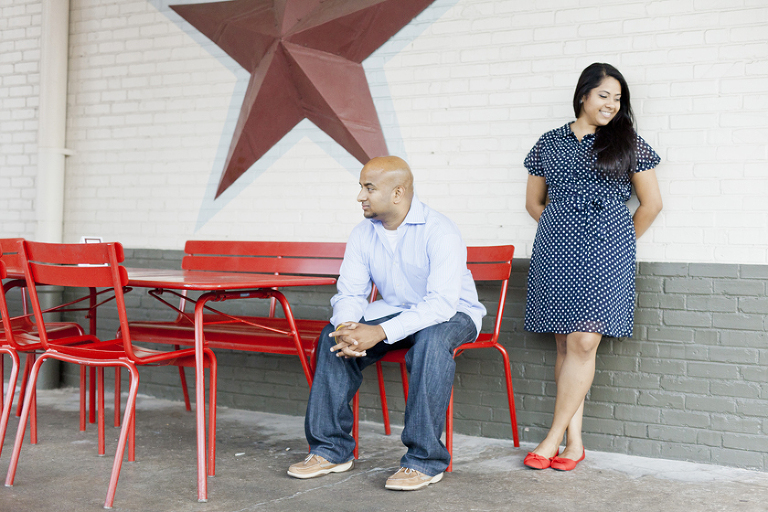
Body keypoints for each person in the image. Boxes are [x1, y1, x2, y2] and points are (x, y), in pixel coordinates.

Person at [287, 155, 486, 490]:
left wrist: (379, 332)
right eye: (361, 187)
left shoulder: (440, 230)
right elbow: (351, 293)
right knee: (332, 335)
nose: (360, 196)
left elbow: (440, 304)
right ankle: (330, 450)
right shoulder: (362, 233)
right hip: (395, 310)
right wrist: (347, 328)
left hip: (453, 313)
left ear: (397, 193)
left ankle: (424, 461)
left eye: (369, 188)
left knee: (431, 343)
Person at [522, 63, 663, 471]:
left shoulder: (628, 142)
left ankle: (551, 438)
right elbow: (534, 203)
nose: (611, 104)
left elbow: (652, 204)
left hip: (607, 252)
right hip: (557, 250)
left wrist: (617, 240)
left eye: (618, 99)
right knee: (565, 344)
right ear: (583, 95)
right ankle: (575, 442)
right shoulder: (549, 143)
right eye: (604, 95)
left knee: (584, 341)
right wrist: (564, 228)